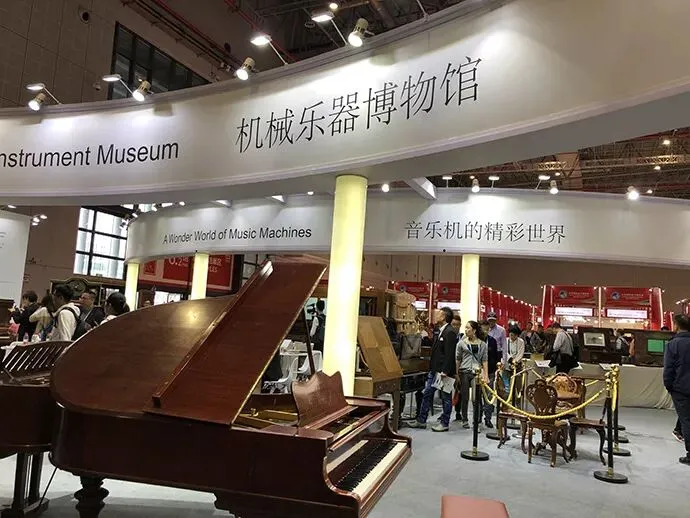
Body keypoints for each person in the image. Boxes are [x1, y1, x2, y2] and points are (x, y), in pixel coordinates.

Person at [408, 307, 457, 432]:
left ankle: (444, 423)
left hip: (444, 372)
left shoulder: (450, 332)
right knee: (427, 394)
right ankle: (421, 420)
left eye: (439, 314)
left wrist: (445, 371)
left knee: (446, 397)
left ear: (444, 316)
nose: (436, 316)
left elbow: (449, 353)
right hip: (434, 370)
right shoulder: (439, 330)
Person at [664, 314, 690, 464]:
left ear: (676, 326)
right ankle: (678, 430)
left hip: (681, 388)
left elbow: (669, 369)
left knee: (686, 419)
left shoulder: (673, 344)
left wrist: (669, 386)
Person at [455, 321, 489, 429]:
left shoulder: (482, 344)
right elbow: (458, 359)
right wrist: (456, 374)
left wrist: (486, 375)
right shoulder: (461, 343)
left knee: (476, 398)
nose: (466, 330)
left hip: (476, 372)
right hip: (464, 371)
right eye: (465, 328)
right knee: (464, 397)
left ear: (474, 330)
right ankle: (464, 419)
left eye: (468, 328)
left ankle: (477, 421)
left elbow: (484, 360)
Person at [480, 320, 500, 427]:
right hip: (478, 372)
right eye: (483, 329)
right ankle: (477, 418)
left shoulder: (492, 341)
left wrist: (496, 366)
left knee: (488, 396)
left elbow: (496, 356)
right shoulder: (477, 340)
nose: (485, 332)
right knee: (477, 396)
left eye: (487, 330)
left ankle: (488, 418)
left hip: (490, 371)